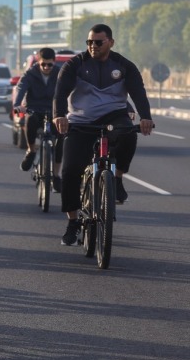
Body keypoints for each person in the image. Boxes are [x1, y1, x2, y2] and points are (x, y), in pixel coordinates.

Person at [54, 23, 154, 245]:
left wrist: (146, 116)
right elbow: (60, 93)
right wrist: (59, 115)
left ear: (110, 42)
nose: (93, 46)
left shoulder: (124, 66)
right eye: (89, 42)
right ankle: (72, 221)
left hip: (113, 116)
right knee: (70, 171)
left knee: (129, 133)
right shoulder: (75, 65)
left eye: (98, 42)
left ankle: (116, 179)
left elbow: (138, 92)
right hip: (80, 120)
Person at [13, 47, 64, 188]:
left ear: (54, 62)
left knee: (61, 138)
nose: (46, 67)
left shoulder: (60, 74)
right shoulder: (30, 74)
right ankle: (31, 150)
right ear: (38, 62)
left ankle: (56, 175)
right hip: (35, 109)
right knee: (30, 120)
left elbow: (70, 90)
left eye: (49, 64)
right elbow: (21, 88)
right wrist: (17, 104)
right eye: (43, 64)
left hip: (54, 111)